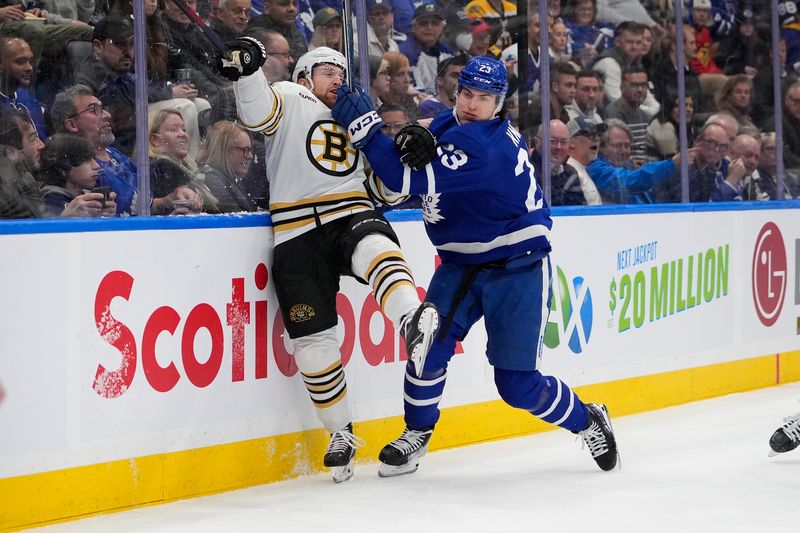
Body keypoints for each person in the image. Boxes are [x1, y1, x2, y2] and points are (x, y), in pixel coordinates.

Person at [332, 56, 619, 477]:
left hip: (517, 267)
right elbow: (424, 150)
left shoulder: (484, 147)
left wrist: (367, 129)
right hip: (462, 264)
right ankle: (417, 435)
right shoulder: (455, 125)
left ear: (498, 104)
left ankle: (588, 420)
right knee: (425, 349)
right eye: (467, 93)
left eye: (484, 98)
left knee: (517, 386)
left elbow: (399, 180)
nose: (472, 103)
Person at [218, 41, 439, 483]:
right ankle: (340, 432)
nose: (337, 80)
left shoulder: (358, 118)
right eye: (326, 72)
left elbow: (387, 192)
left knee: (376, 246)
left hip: (349, 212)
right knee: (312, 341)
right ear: (303, 79)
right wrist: (248, 73)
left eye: (341, 73)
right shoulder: (291, 96)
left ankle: (410, 320)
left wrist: (407, 156)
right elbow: (259, 112)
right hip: (296, 232)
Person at [37, 133, 118, 217]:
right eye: (86, 160)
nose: (97, 166)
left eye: (93, 159)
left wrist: (104, 214)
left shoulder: (85, 196)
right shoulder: (51, 200)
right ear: (63, 168)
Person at [195, 120, 262, 212]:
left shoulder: (230, 178)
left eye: (250, 150)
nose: (250, 156)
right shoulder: (212, 178)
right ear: (224, 150)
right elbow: (237, 219)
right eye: (245, 150)